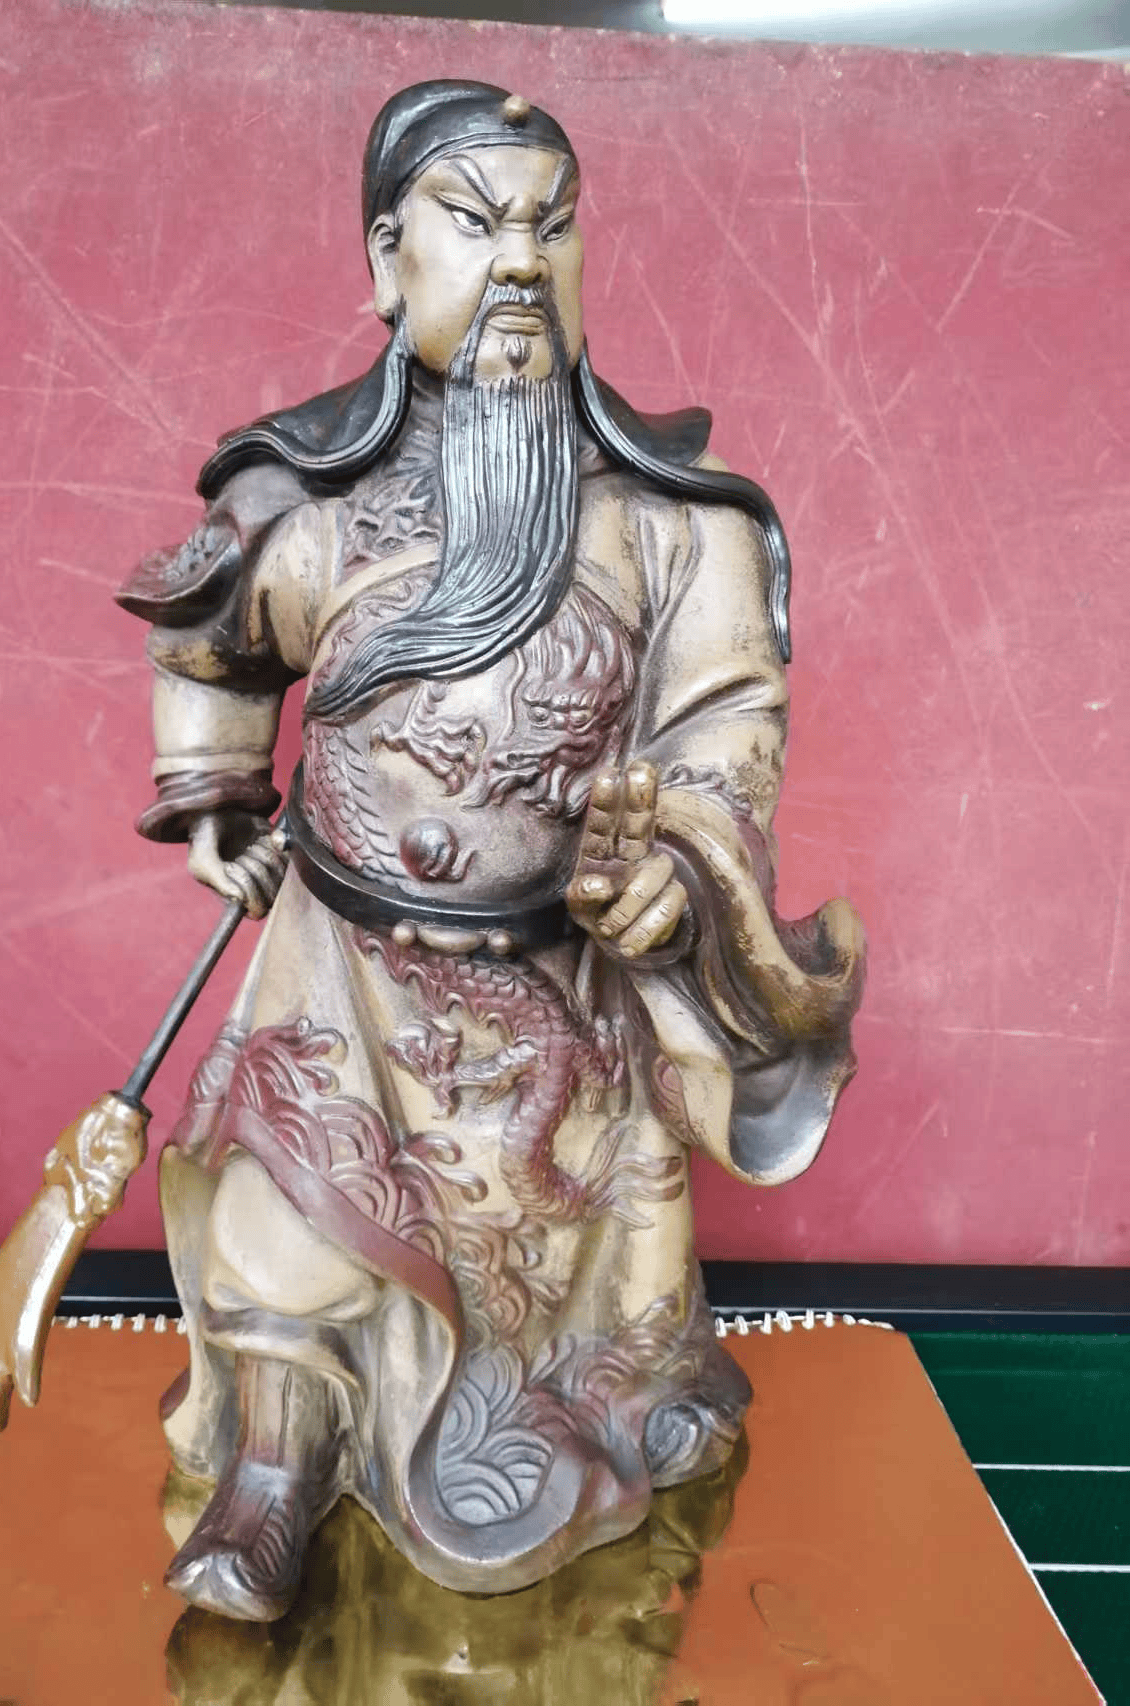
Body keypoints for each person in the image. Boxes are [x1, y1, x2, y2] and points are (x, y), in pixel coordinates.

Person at [117, 79, 865, 1623]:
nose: (522, 259)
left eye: (553, 225)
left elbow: (724, 721)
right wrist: (217, 799)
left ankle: (579, 1412)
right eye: (475, 223)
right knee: (286, 1216)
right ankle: (274, 1472)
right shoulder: (300, 494)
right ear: (385, 258)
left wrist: (678, 865)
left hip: (558, 986)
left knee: (566, 1279)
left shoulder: (673, 521)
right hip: (342, 964)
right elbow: (208, 640)